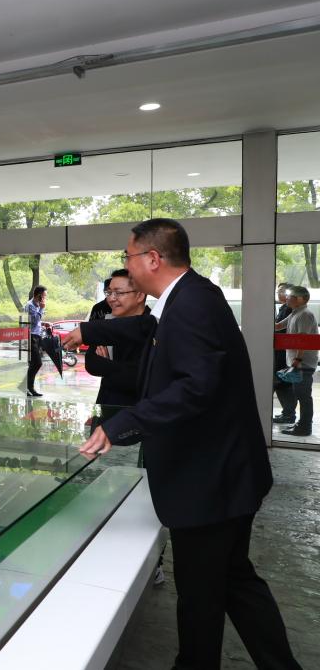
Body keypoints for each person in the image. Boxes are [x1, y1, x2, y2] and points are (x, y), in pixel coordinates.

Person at [62, 218, 300, 670]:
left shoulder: (192, 303)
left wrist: (122, 423)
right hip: (225, 474)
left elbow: (195, 389)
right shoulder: (189, 296)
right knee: (232, 581)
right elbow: (145, 332)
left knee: (201, 591)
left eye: (130, 256)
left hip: (209, 479)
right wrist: (90, 332)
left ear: (153, 258)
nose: (127, 265)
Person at [84, 269, 149, 409]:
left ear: (140, 295)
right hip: (106, 406)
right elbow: (91, 362)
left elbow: (140, 378)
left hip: (137, 412)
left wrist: (108, 365)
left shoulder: (153, 328)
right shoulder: (108, 323)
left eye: (118, 293)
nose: (111, 299)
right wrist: (118, 370)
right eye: (109, 293)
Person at [275, 285, 317, 436]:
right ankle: (302, 424)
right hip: (298, 363)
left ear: (301, 299)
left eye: (291, 296)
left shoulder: (305, 315)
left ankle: (304, 427)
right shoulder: (295, 313)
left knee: (303, 396)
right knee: (300, 394)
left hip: (302, 364)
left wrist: (297, 360)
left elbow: (303, 339)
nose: (287, 298)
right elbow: (278, 326)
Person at [272, 282, 295, 425]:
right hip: (280, 351)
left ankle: (289, 414)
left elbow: (279, 328)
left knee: (283, 383)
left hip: (283, 352)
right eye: (278, 291)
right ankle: (287, 413)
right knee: (280, 382)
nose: (278, 293)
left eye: (282, 291)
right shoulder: (283, 308)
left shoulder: (288, 310)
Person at [24, 285, 51, 397]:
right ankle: (28, 387)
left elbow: (37, 322)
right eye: (44, 296)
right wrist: (42, 308)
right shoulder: (30, 305)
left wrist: (43, 324)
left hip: (37, 336)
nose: (45, 298)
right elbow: (34, 321)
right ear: (39, 295)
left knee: (34, 363)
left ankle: (29, 388)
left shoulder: (37, 305)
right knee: (37, 363)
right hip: (31, 336)